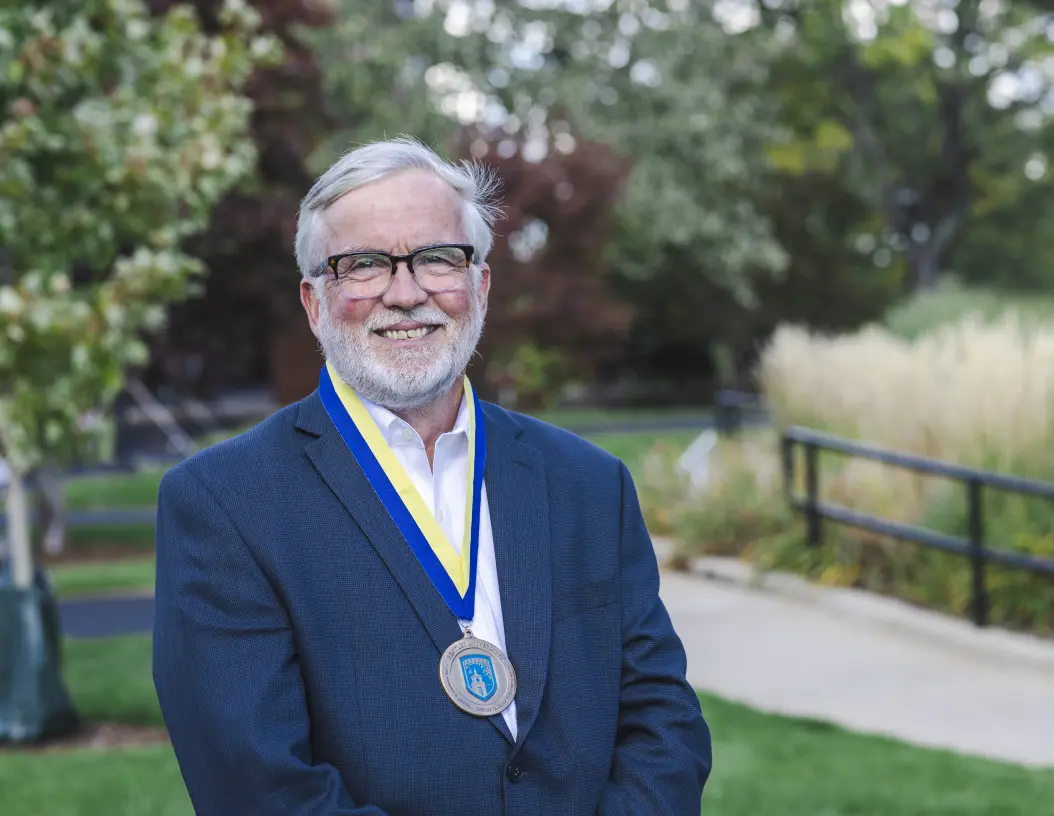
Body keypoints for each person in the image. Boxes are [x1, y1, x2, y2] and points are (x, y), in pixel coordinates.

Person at [151, 136, 713, 815]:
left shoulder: (591, 486)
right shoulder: (224, 505)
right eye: (363, 265)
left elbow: (665, 725)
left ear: (478, 284)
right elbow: (257, 785)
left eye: (437, 258)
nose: (406, 291)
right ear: (313, 302)